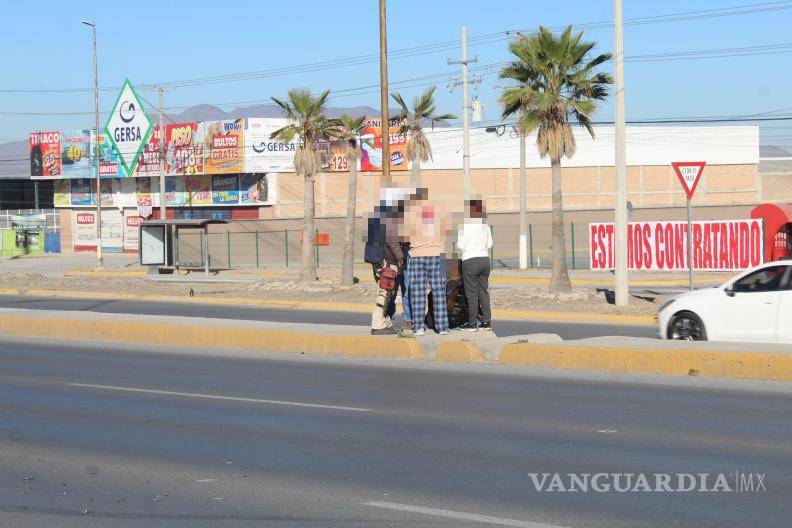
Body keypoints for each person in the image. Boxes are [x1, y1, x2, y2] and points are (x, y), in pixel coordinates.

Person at [403, 191, 449, 336]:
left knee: (417, 292)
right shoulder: (439, 212)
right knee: (440, 291)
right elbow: (447, 232)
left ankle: (418, 327)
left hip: (417, 255)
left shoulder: (409, 214)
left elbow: (404, 237)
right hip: (438, 254)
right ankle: (441, 327)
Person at [366, 196, 406, 335]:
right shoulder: (390, 221)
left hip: (378, 262)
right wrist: (401, 259)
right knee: (384, 294)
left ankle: (385, 321)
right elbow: (393, 243)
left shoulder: (378, 219)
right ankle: (377, 324)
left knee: (387, 293)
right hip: (387, 263)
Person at [457, 199, 493, 331]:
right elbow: (490, 245)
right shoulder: (486, 226)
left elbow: (460, 246)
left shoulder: (465, 226)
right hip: (484, 260)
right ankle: (486, 322)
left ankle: (472, 323)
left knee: (471, 293)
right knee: (483, 292)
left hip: (470, 260)